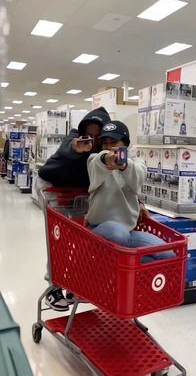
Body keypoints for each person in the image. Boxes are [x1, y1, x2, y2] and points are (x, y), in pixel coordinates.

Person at [37, 107, 111, 311]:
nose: (93, 138)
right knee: (59, 237)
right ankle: (53, 286)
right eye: (90, 133)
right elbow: (66, 148)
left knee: (82, 237)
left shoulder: (105, 149)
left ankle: (74, 283)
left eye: (98, 134)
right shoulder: (74, 139)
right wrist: (75, 148)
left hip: (78, 192)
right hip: (53, 186)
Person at [86, 121, 174, 261]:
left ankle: (123, 267)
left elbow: (137, 176)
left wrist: (124, 166)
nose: (109, 147)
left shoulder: (137, 164)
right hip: (98, 229)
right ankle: (122, 261)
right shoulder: (94, 160)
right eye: (105, 143)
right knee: (118, 235)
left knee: (167, 253)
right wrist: (105, 158)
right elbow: (97, 162)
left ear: (125, 144)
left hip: (128, 232)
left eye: (114, 142)